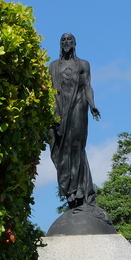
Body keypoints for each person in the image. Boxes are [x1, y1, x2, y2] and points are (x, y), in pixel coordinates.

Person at [49, 33, 100, 208]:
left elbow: (87, 86)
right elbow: (49, 92)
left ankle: (79, 189)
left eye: (69, 40)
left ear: (75, 43)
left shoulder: (83, 64)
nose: (66, 42)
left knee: (77, 147)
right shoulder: (53, 66)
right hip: (60, 110)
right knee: (61, 150)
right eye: (63, 40)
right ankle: (69, 190)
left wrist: (92, 105)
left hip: (78, 105)